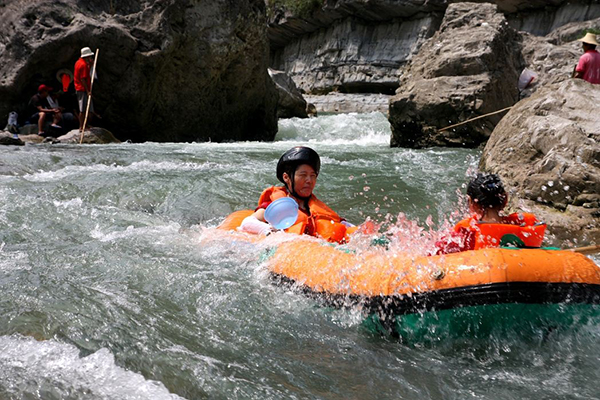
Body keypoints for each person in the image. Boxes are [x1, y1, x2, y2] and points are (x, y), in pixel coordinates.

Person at [240, 146, 354, 243]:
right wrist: (271, 232)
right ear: (286, 177)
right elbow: (247, 223)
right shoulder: (275, 206)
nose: (309, 180)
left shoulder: (317, 208)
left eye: (313, 175)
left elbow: (344, 225)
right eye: (303, 175)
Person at [435, 173, 546, 255]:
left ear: (472, 203)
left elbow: (436, 255)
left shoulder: (467, 231)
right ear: (505, 199)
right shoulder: (525, 224)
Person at [74, 46, 95, 130]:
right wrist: (87, 91)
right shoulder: (82, 65)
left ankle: (85, 125)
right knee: (82, 109)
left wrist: (90, 65)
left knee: (89, 109)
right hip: (82, 89)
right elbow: (83, 79)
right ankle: (81, 126)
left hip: (81, 88)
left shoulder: (79, 62)